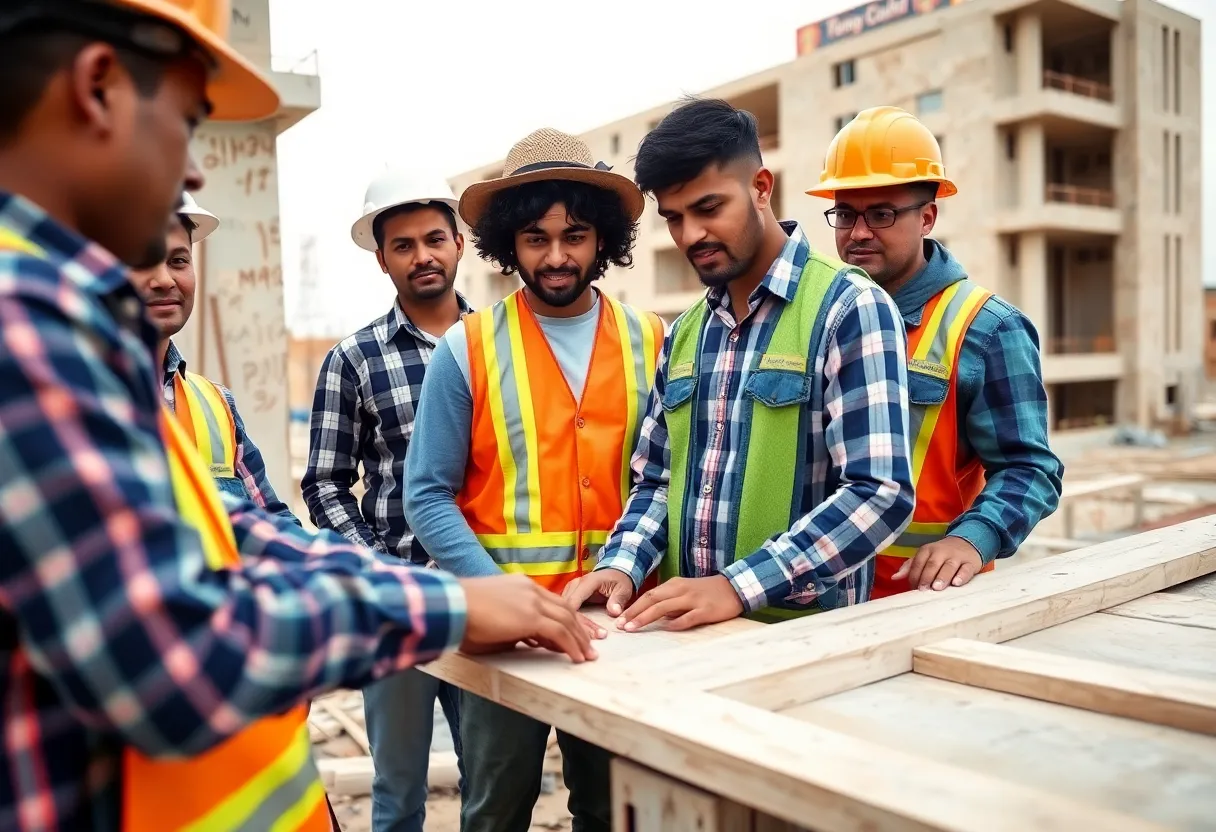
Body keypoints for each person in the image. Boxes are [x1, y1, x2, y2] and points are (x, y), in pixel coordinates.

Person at [0, 3, 595, 830]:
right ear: (98, 88)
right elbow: (178, 660)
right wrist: (445, 606)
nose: (196, 175)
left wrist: (435, 592)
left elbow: (243, 528)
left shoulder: (77, 324)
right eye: (186, 122)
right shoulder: (26, 327)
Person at [564, 98, 915, 629]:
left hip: (807, 643)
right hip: (689, 643)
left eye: (708, 208)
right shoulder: (685, 333)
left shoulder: (849, 307)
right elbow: (658, 480)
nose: (690, 236)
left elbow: (879, 493)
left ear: (760, 188)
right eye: (674, 218)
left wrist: (737, 587)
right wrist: (623, 565)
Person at [404, 127, 664, 832]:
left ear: (603, 239)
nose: (555, 256)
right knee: (495, 810)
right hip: (503, 632)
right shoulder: (468, 347)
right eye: (535, 238)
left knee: (616, 812)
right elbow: (425, 493)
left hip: (619, 629)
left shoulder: (654, 340)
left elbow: (669, 481)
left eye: (575, 235)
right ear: (506, 245)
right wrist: (493, 594)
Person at [807, 106, 1063, 597]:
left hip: (922, 603)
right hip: (817, 599)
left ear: (927, 217)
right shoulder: (816, 316)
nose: (858, 232)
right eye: (844, 214)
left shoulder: (985, 327)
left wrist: (973, 539)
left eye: (881, 214)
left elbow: (1030, 469)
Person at [301, 169, 471, 832]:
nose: (422, 255)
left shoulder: (499, 346)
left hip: (481, 596)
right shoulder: (354, 360)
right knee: (398, 788)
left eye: (434, 238)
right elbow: (323, 483)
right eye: (403, 245)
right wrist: (381, 570)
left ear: (459, 243)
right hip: (397, 608)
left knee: (488, 778)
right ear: (382, 260)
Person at [130, 191, 299, 523]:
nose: (164, 280)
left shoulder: (216, 403)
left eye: (178, 261)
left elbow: (273, 525)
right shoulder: (60, 395)